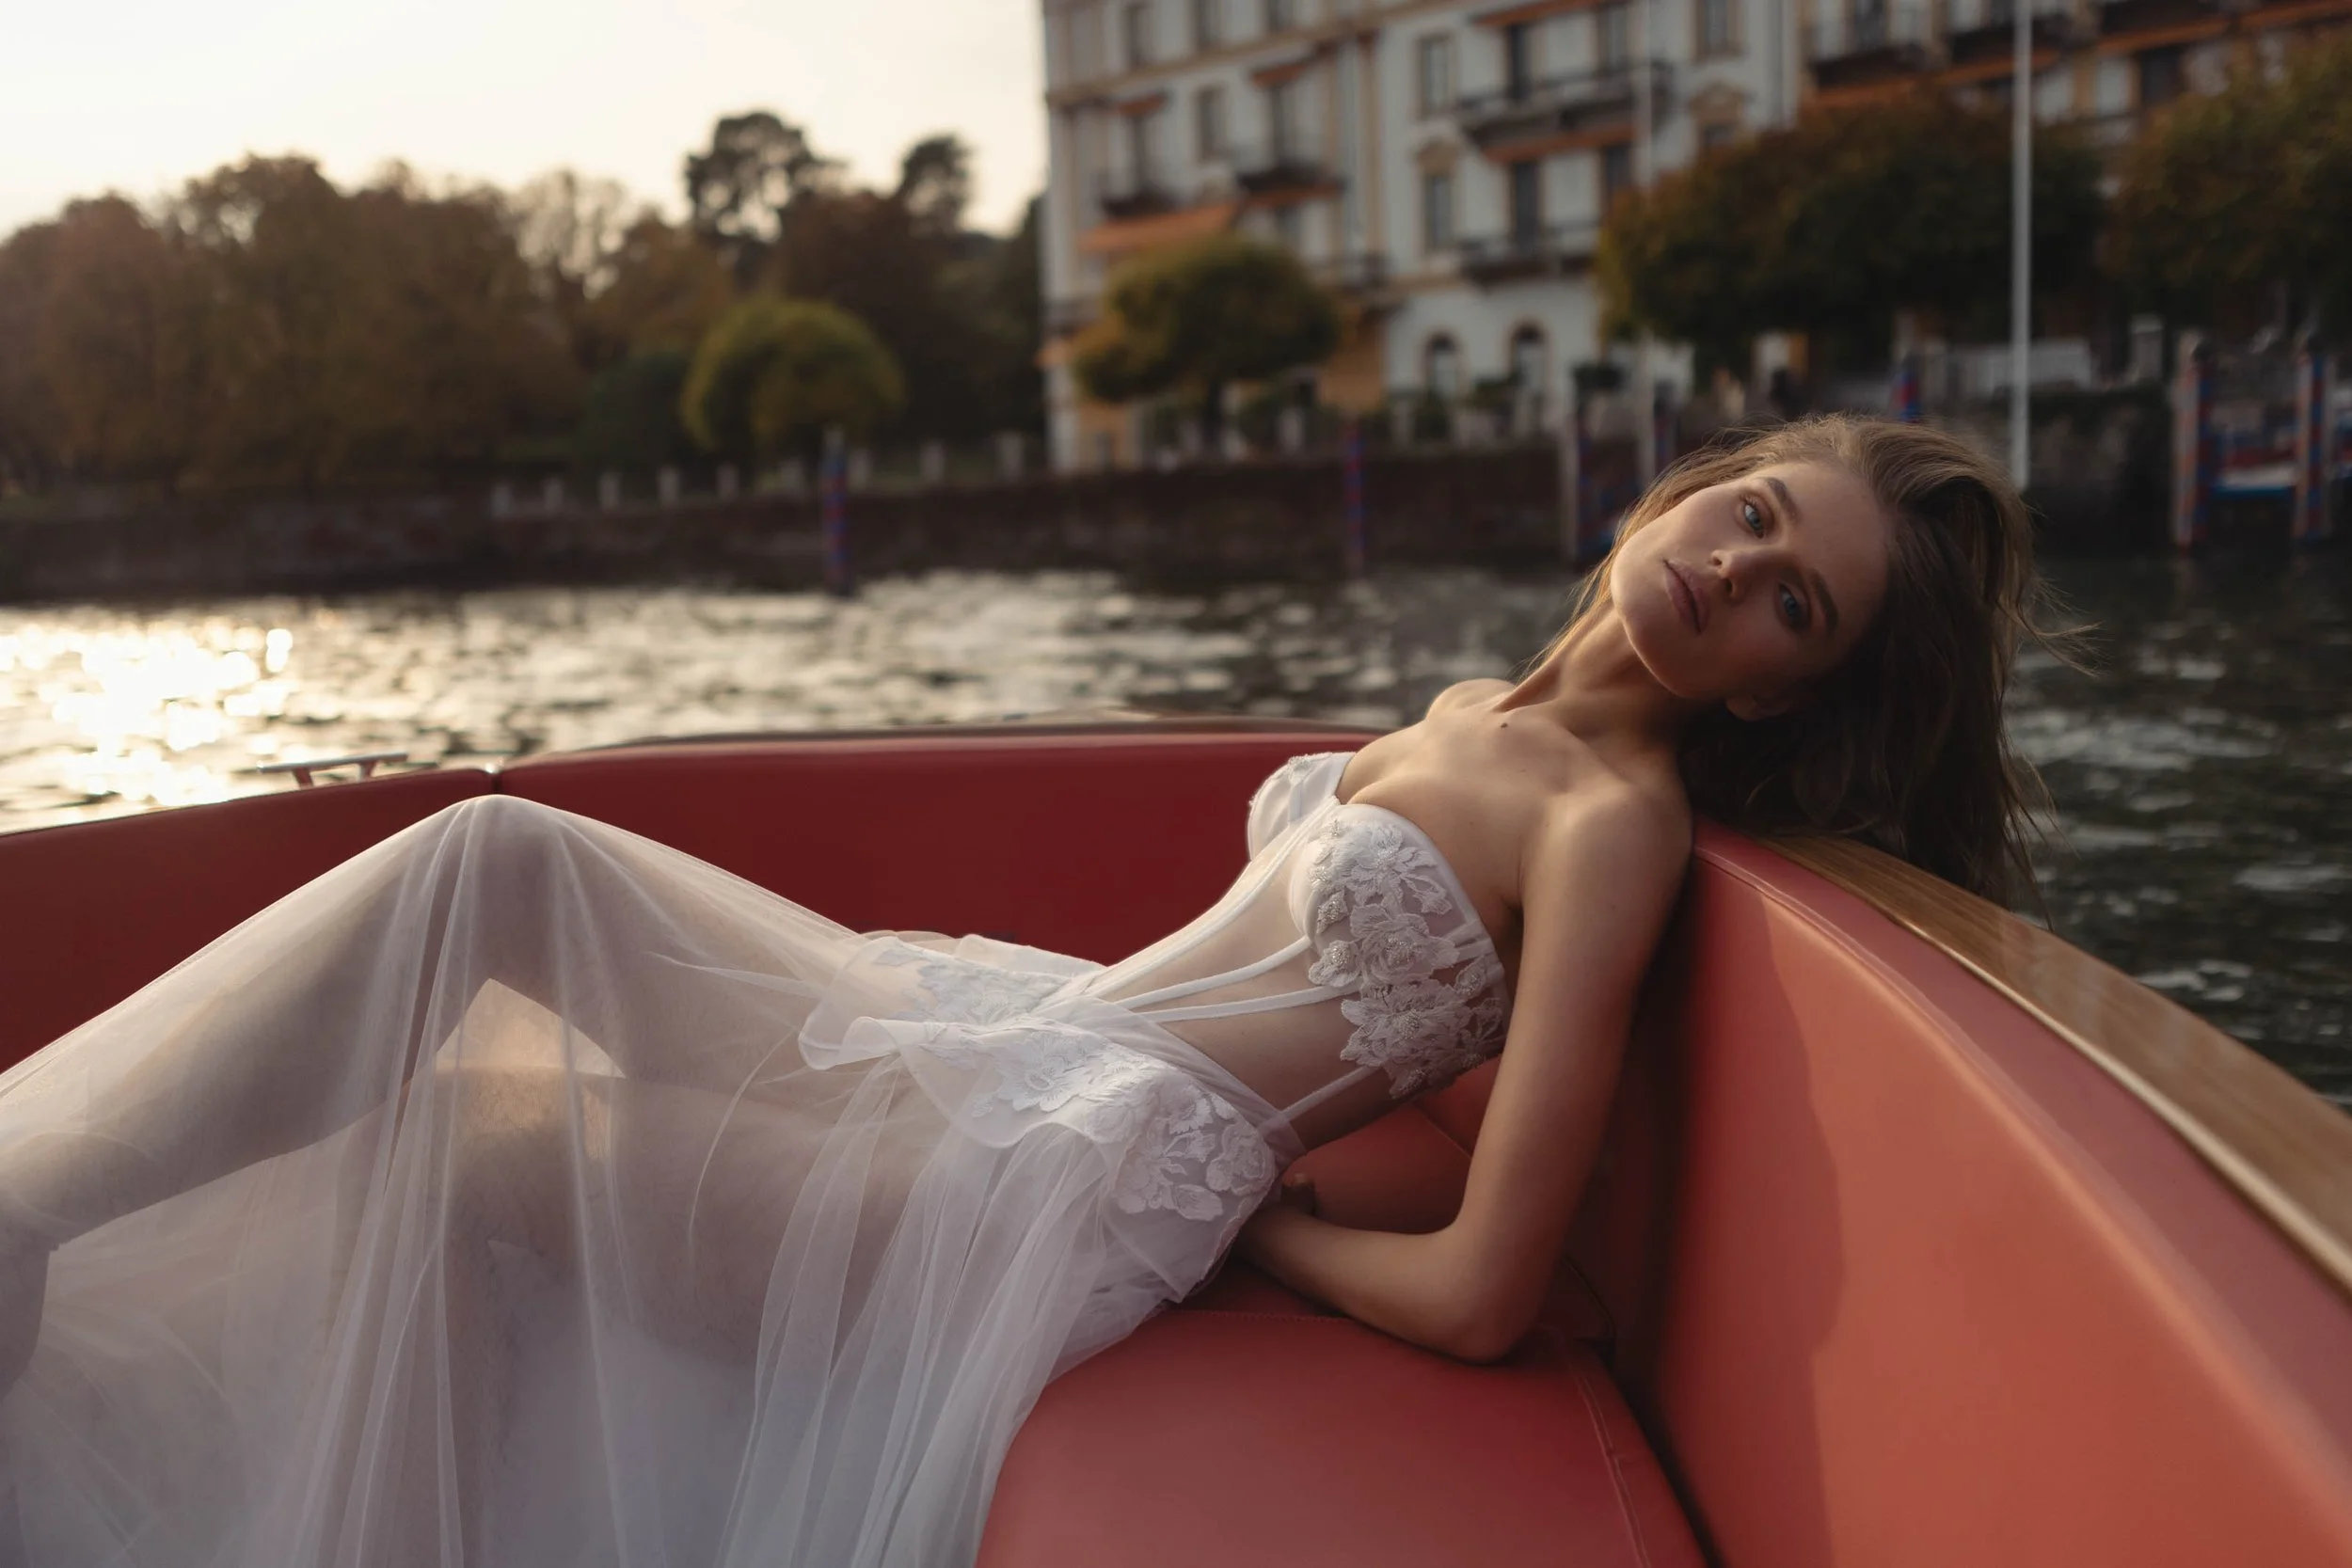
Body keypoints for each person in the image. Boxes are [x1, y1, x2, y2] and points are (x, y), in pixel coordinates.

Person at [0, 416, 2055, 1567]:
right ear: (1692, 479)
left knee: (490, 972)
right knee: (486, 970)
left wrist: (1246, 1217)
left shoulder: (1610, 830)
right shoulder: (1453, 710)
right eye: (1755, 511)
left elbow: (1498, 1286)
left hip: (1068, 1168)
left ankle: (25, 1222)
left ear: (1785, 679)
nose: (1735, 567)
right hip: (1003, 1038)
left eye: (1795, 599)